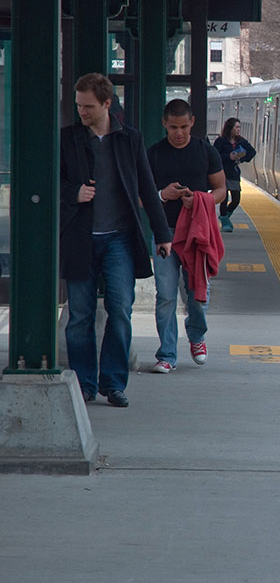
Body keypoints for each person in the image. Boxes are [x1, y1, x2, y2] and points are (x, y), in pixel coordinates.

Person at [60, 73, 173, 407]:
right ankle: (83, 383)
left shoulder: (129, 140)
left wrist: (163, 234)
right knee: (79, 314)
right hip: (80, 237)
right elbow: (52, 181)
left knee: (120, 310)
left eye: (89, 107)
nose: (82, 112)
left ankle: (113, 383)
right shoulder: (67, 139)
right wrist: (73, 193)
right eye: (79, 106)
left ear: (107, 104)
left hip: (119, 239)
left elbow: (146, 188)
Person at [146, 99, 226, 374]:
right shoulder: (154, 154)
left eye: (183, 127)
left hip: (197, 234)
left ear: (192, 122)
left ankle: (196, 336)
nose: (178, 133)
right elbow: (141, 198)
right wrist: (162, 195)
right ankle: (167, 354)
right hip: (165, 234)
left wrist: (201, 200)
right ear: (164, 125)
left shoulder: (206, 152)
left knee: (198, 294)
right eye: (172, 127)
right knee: (166, 295)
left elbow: (221, 190)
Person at [213, 117, 255, 232]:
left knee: (236, 199)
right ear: (230, 128)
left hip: (234, 173)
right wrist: (228, 156)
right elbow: (214, 157)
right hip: (222, 173)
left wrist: (242, 159)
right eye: (236, 127)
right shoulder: (220, 141)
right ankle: (225, 223)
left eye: (239, 127)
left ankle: (224, 216)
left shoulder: (241, 141)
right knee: (224, 198)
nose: (238, 129)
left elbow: (252, 152)